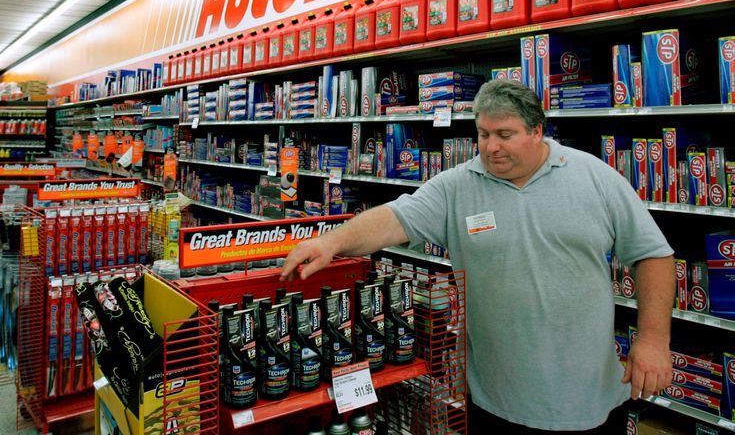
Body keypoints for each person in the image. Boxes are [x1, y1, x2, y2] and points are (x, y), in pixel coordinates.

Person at [281, 79, 674, 434]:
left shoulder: (594, 177)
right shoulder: (458, 186)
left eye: (505, 134)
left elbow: (652, 255)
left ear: (537, 132)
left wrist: (654, 340)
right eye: (483, 134)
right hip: (495, 401)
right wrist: (331, 242)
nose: (490, 146)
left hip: (588, 399)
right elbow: (394, 218)